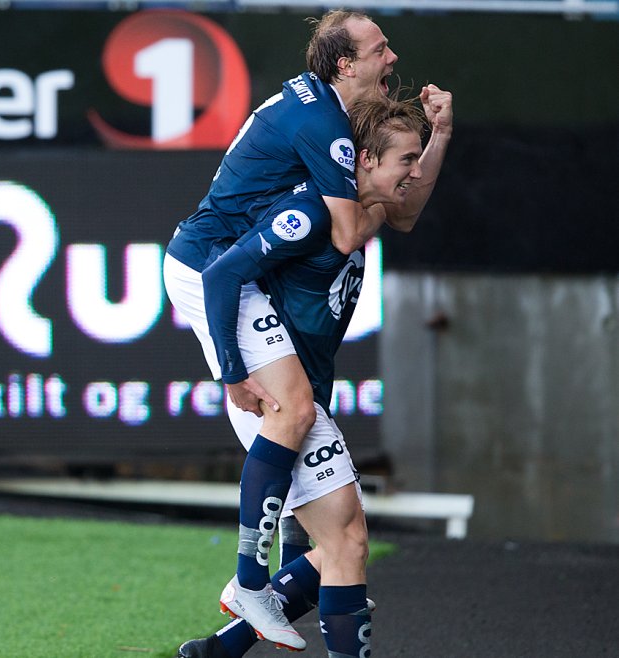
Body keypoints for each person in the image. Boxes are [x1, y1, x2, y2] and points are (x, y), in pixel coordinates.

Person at [162, 9, 453, 653]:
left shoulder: (348, 181)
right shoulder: (315, 208)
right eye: (381, 49)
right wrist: (233, 372)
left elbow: (395, 210)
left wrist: (439, 135)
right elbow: (333, 231)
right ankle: (247, 583)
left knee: (344, 540)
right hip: (213, 278)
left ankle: (222, 646)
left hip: (296, 369)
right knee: (338, 531)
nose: (393, 58)